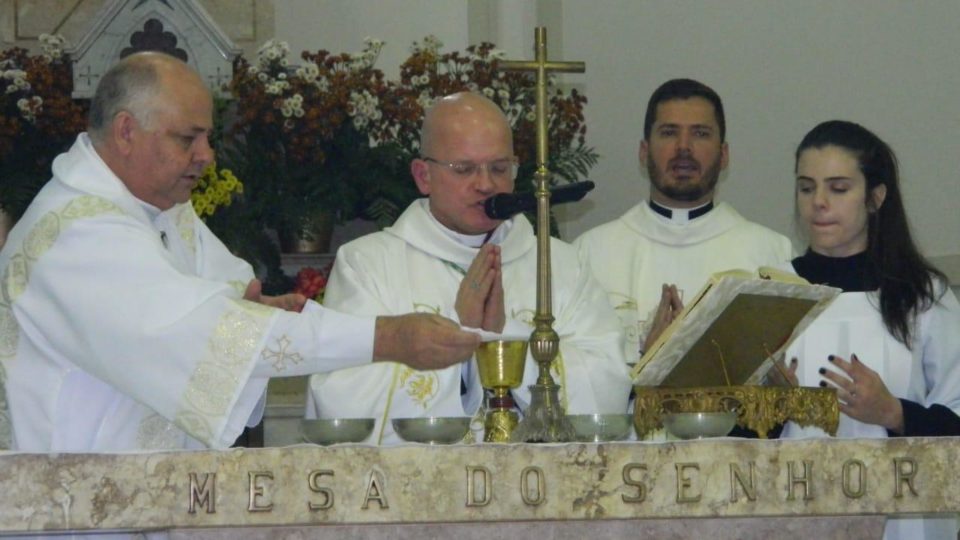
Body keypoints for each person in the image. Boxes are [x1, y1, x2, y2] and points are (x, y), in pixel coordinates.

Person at [0, 52, 480, 454]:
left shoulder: (161, 210)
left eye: (208, 137)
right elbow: (211, 334)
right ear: (126, 131)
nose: (207, 155)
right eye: (188, 138)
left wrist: (261, 313)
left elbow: (232, 302)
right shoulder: (76, 233)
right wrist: (388, 338)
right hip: (71, 511)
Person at [307, 92, 631, 445]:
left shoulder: (560, 264)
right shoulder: (367, 264)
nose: (486, 184)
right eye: (464, 169)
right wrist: (459, 340)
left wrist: (503, 349)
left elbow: (607, 384)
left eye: (499, 168)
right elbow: (343, 397)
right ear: (423, 175)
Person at [781, 120, 960, 539]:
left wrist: (894, 413)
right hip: (794, 513)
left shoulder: (924, 298)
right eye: (807, 188)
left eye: (838, 188)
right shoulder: (772, 293)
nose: (819, 203)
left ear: (876, 198)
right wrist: (771, 410)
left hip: (905, 520)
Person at [574, 79, 793, 363]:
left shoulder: (770, 255)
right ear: (643, 151)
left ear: (724, 154)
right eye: (669, 133)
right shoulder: (591, 253)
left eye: (700, 133)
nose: (684, 147)